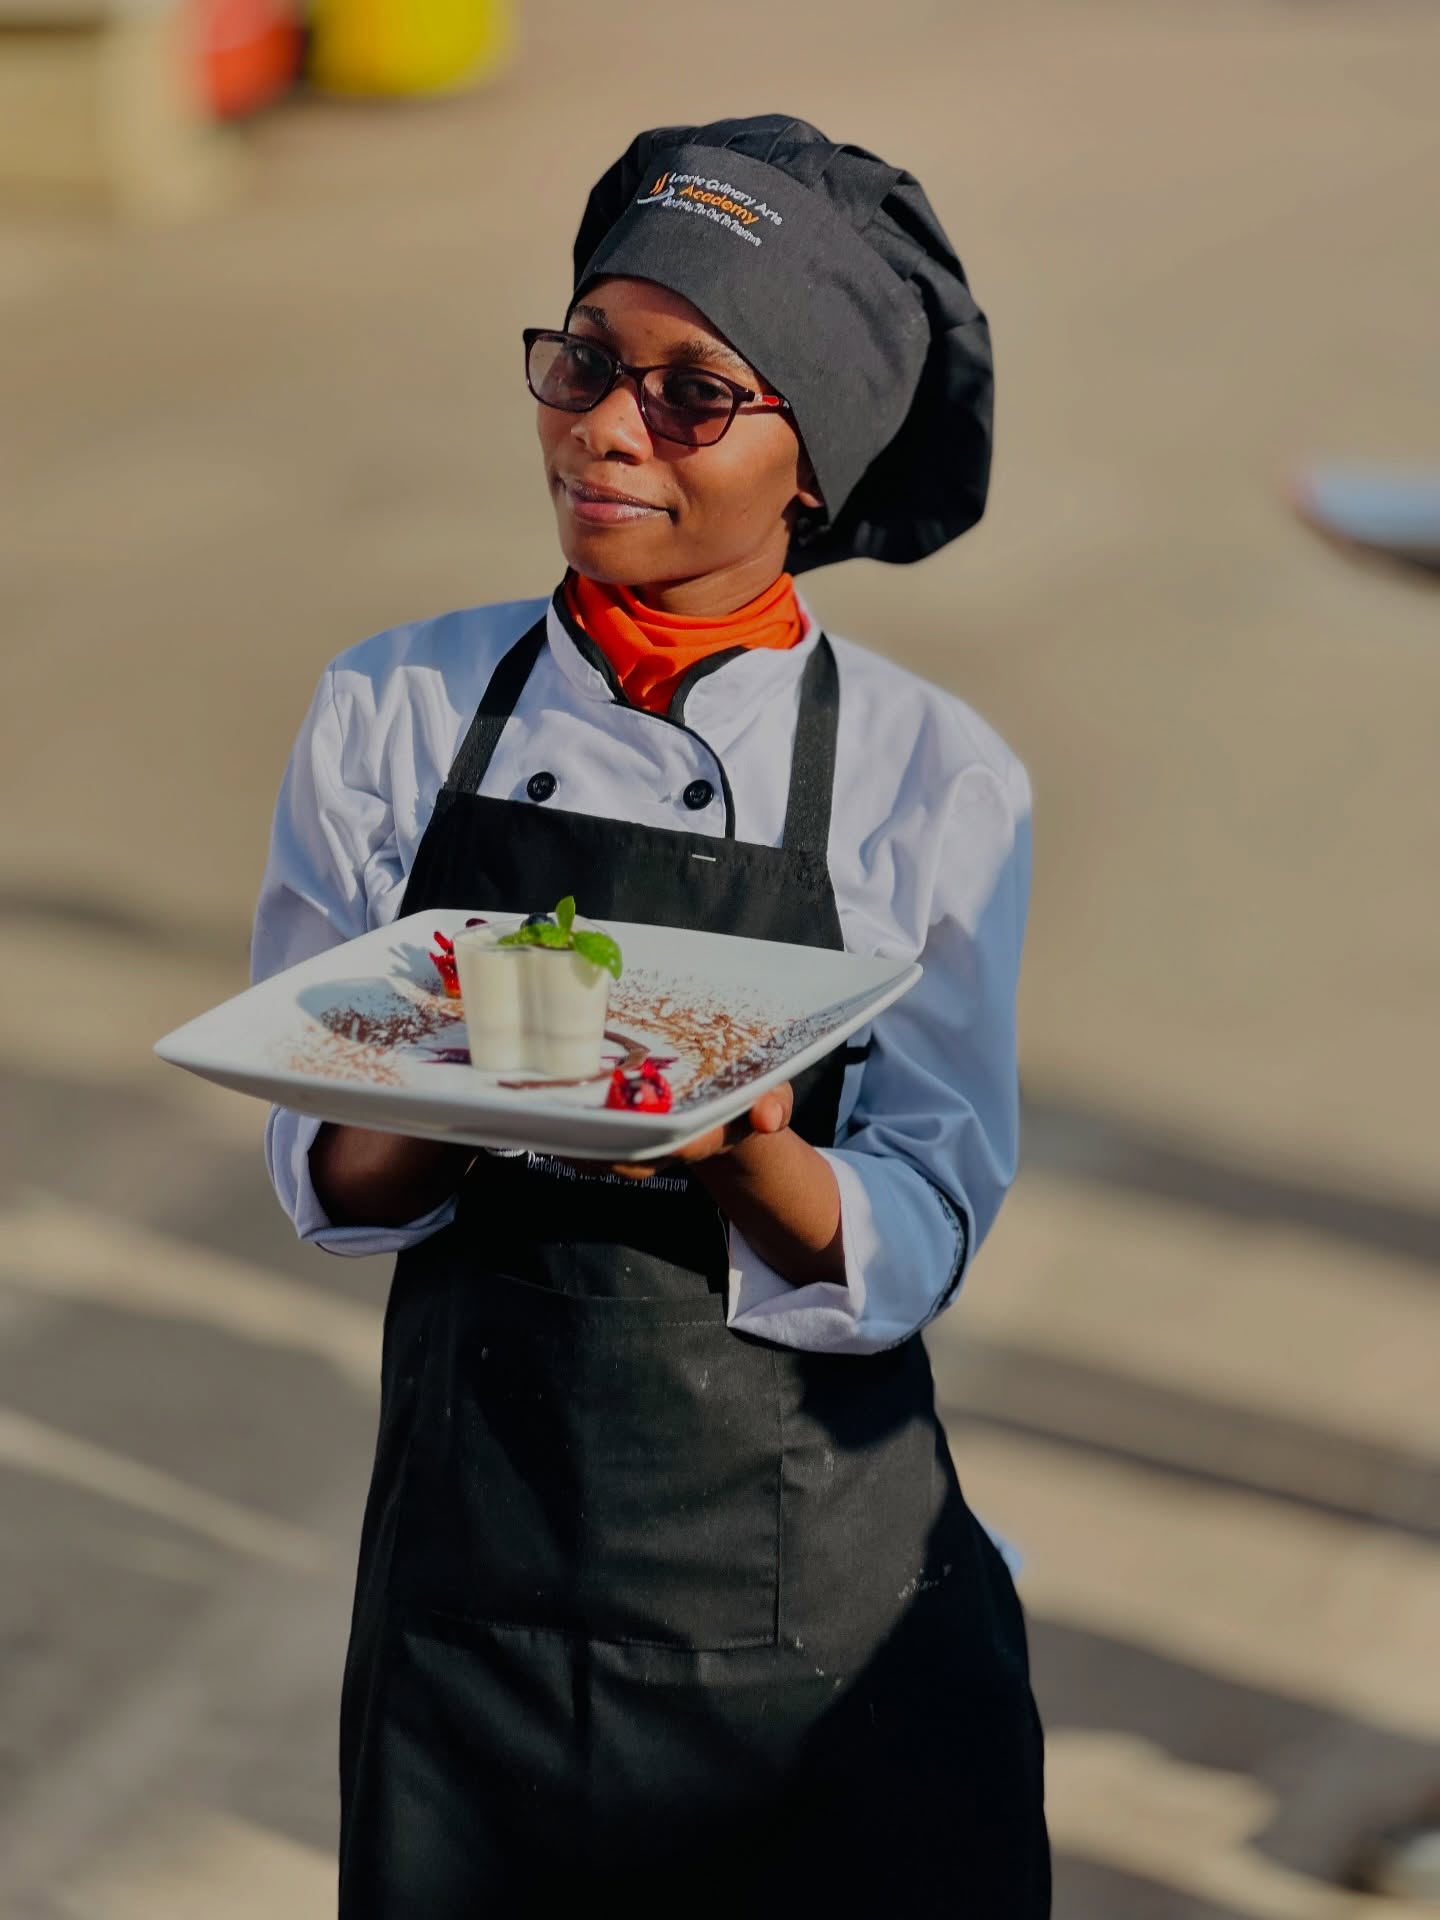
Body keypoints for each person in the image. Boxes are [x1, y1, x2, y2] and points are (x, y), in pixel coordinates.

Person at [252, 113, 1048, 1915]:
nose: (607, 425)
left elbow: (930, 1201)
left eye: (696, 395)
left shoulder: (931, 776)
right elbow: (326, 1164)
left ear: (813, 470)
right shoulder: (394, 709)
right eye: (586, 361)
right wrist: (436, 1074)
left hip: (827, 1632)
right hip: (477, 1620)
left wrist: (750, 1155)